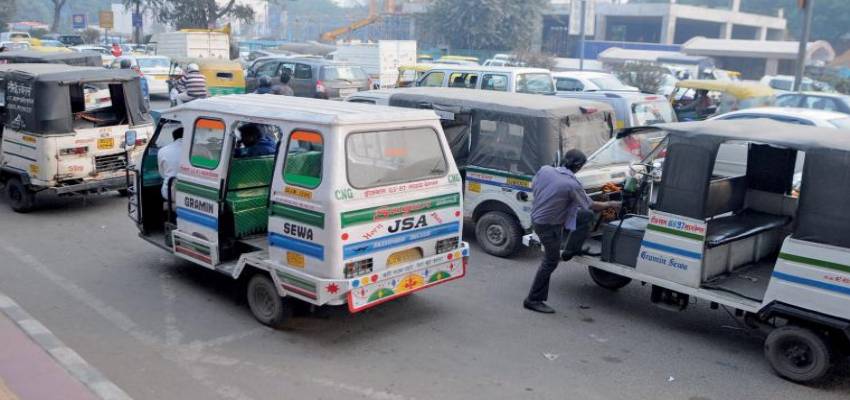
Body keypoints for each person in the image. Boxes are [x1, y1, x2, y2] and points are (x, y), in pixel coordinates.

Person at [523, 150, 621, 314]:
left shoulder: (545, 170)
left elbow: (536, 186)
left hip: (539, 217)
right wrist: (610, 203)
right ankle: (533, 299)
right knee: (550, 261)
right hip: (547, 226)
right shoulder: (571, 184)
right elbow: (591, 205)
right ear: (578, 166)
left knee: (585, 216)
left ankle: (571, 249)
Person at [157, 127, 184, 202]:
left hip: (171, 192)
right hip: (195, 193)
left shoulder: (162, 151)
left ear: (173, 138)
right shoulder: (200, 148)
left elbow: (162, 174)